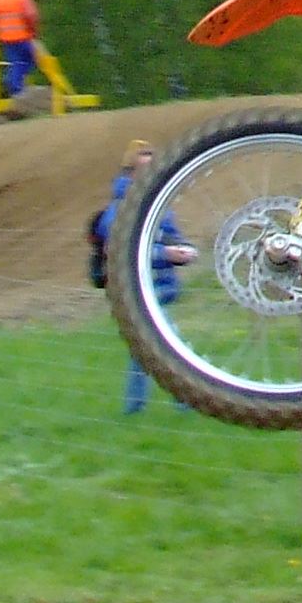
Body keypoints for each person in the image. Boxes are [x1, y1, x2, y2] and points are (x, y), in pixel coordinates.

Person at [95, 140, 196, 415]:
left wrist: (185, 250)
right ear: (131, 172)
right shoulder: (118, 211)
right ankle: (184, 402)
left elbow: (173, 236)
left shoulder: (159, 205)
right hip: (136, 290)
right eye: (144, 167)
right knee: (169, 346)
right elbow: (122, 250)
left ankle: (136, 408)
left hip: (159, 287)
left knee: (145, 349)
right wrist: (166, 254)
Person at [0, 0, 41, 99]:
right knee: (33, 59)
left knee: (15, 61)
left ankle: (15, 83)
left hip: (6, 38)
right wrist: (34, 31)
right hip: (23, 35)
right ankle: (15, 84)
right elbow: (31, 15)